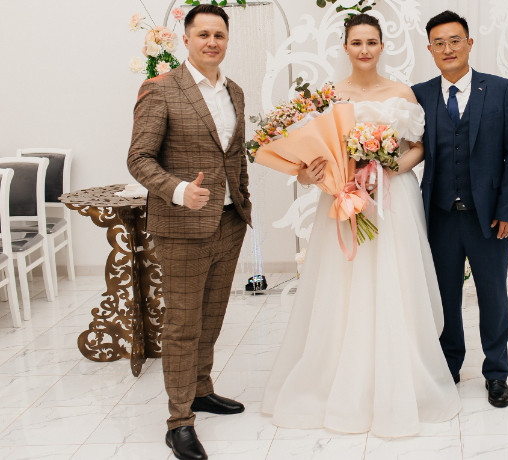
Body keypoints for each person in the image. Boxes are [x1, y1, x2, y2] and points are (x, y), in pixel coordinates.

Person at [261, 13, 461, 438]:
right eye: (357, 43)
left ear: (382, 46)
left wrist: (387, 168)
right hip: (342, 196)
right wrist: (313, 174)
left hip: (393, 199)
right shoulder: (329, 96)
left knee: (394, 279)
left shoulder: (401, 92)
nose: (365, 50)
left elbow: (419, 147)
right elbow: (308, 160)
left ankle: (400, 376)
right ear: (345, 47)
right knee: (343, 283)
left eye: (372, 42)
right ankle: (338, 375)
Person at [127, 5, 251, 460]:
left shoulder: (235, 92)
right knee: (182, 324)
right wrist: (179, 191)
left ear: (227, 40)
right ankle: (179, 421)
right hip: (182, 226)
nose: (212, 42)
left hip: (229, 221)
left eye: (219, 34)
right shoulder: (161, 89)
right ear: (186, 39)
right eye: (203, 34)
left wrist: (243, 199)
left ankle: (200, 389)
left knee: (212, 315)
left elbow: (234, 154)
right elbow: (138, 158)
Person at [412, 10, 508, 409]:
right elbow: (406, 146)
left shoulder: (500, 90)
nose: (448, 48)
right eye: (439, 43)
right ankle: (449, 365)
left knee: (493, 296)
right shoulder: (419, 94)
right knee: (445, 297)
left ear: (469, 43)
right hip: (439, 215)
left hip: (489, 216)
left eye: (455, 40)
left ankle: (496, 372)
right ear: (430, 49)